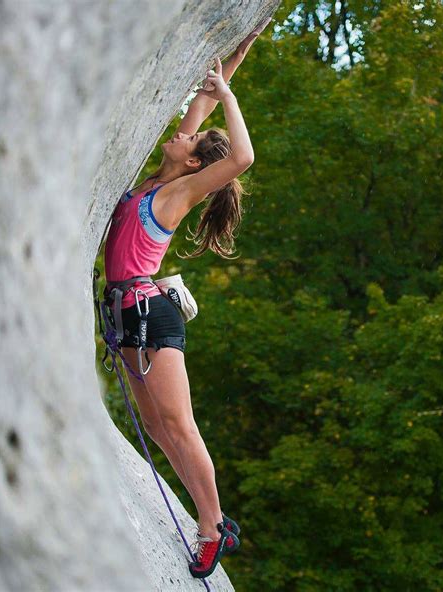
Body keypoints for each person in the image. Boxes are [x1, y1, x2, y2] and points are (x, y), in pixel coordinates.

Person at [103, 18, 271, 579]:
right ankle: (207, 521)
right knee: (155, 425)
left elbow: (239, 158)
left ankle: (213, 525)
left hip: (151, 315)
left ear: (195, 163)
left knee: (179, 422)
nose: (181, 130)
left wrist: (230, 98)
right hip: (127, 316)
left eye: (190, 137)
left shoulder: (177, 192)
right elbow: (199, 99)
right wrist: (236, 54)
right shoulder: (162, 174)